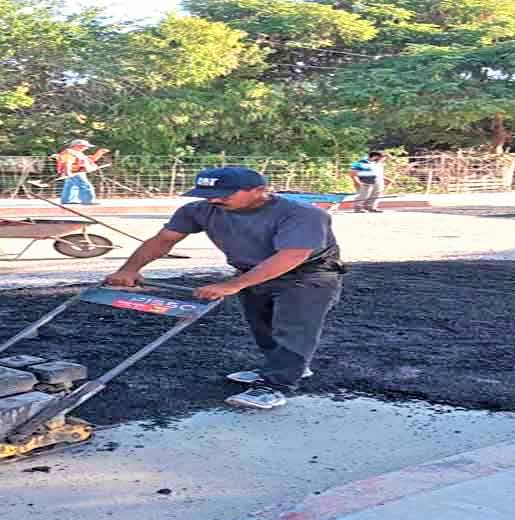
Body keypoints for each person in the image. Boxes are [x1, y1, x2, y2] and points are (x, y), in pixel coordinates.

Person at [104, 167, 344, 410]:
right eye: (208, 194)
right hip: (252, 271)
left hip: (307, 273)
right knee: (262, 325)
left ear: (259, 190)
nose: (214, 200)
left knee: (293, 328)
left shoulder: (302, 214)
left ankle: (276, 385)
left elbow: (293, 255)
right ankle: (284, 367)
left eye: (225, 194)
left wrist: (232, 285)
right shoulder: (200, 210)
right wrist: (129, 269)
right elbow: (163, 240)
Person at [55, 139, 108, 205]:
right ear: (78, 146)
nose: (87, 148)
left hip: (76, 172)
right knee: (85, 185)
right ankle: (88, 200)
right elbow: (67, 163)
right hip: (74, 172)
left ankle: (68, 199)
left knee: (71, 186)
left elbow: (90, 160)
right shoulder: (69, 152)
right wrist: (68, 173)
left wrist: (99, 153)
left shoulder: (78, 153)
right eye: (85, 146)